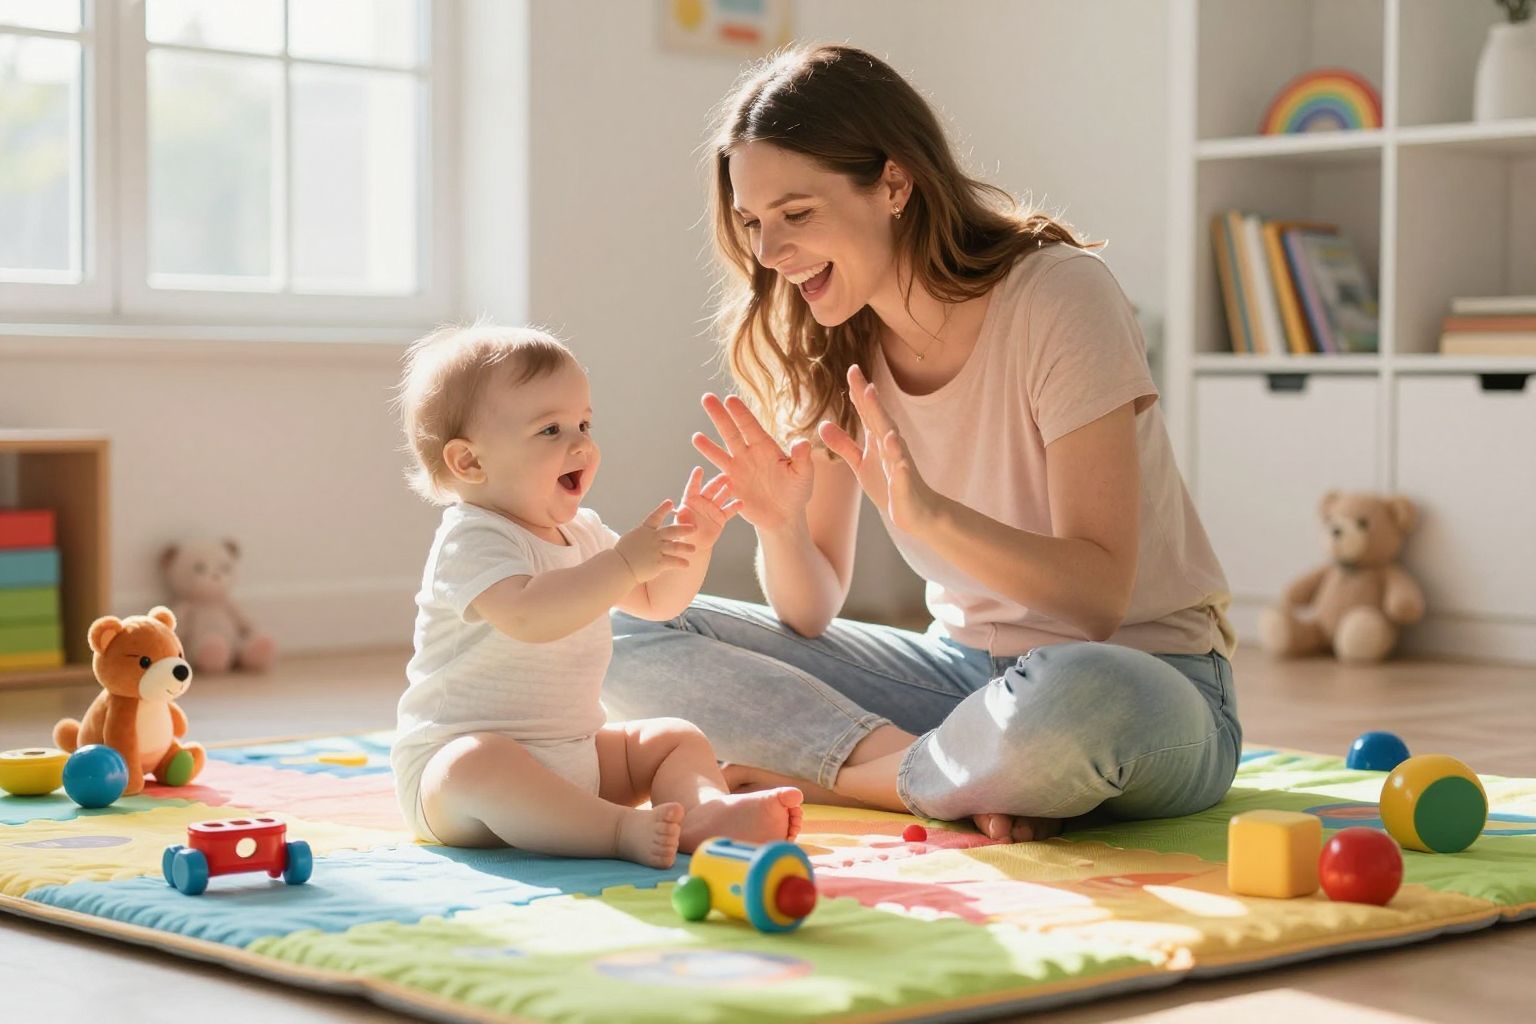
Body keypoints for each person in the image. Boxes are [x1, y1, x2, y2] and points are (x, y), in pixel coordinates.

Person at [606, 45, 1241, 844]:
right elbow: (812, 609)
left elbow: (1097, 601)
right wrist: (780, 524)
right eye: (753, 224)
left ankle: (857, 775)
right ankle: (934, 773)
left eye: (796, 214)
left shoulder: (1058, 297)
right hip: (960, 686)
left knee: (1072, 695)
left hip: (1144, 682)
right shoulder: (835, 341)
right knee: (621, 631)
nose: (769, 255)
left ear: (895, 183)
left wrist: (933, 519)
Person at [390, 323, 802, 868]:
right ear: (470, 463)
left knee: (672, 738)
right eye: (550, 430)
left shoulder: (584, 532)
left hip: (577, 755)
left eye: (584, 423)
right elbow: (530, 615)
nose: (581, 443)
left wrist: (691, 547)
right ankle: (619, 830)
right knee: (478, 760)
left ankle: (703, 812)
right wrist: (624, 562)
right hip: (457, 786)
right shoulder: (472, 537)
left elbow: (657, 601)